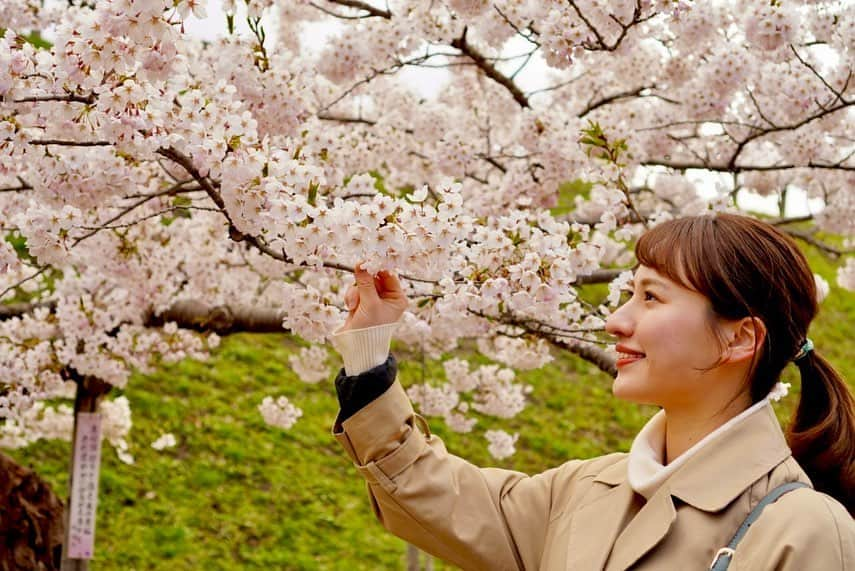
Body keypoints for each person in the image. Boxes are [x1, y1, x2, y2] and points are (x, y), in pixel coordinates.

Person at [328, 213, 855, 570]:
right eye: (630, 293)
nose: (614, 321)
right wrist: (367, 350)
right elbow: (432, 494)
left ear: (739, 338)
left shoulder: (802, 529)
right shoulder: (583, 490)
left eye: (652, 297)